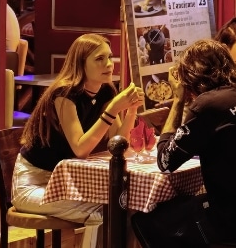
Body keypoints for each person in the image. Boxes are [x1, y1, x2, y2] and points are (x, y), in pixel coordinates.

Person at [139, 40, 236, 247]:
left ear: (192, 77)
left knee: (146, 220)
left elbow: (165, 161)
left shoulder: (209, 104)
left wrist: (178, 100)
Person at [14, 34, 143, 248]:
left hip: (67, 181)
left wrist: (130, 111)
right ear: (81, 64)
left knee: (127, 205)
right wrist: (112, 109)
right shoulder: (64, 94)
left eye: (110, 57)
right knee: (105, 212)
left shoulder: (106, 91)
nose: (109, 64)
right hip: (36, 183)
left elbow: (118, 145)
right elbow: (80, 149)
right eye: (99, 59)